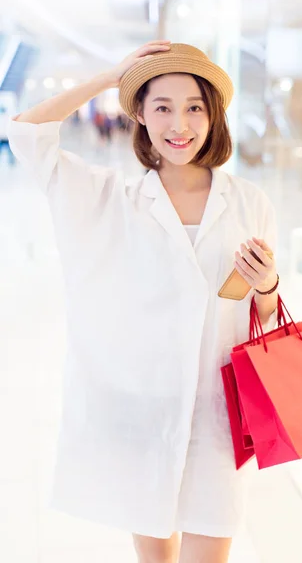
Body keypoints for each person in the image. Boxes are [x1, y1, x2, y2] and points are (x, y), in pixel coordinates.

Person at [7, 41, 279, 563]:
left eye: (194, 107)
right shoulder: (112, 198)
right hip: (142, 415)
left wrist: (267, 286)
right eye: (162, 107)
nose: (180, 124)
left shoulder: (249, 203)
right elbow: (25, 133)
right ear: (139, 114)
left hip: (219, 417)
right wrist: (110, 76)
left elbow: (265, 319)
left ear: (213, 114)